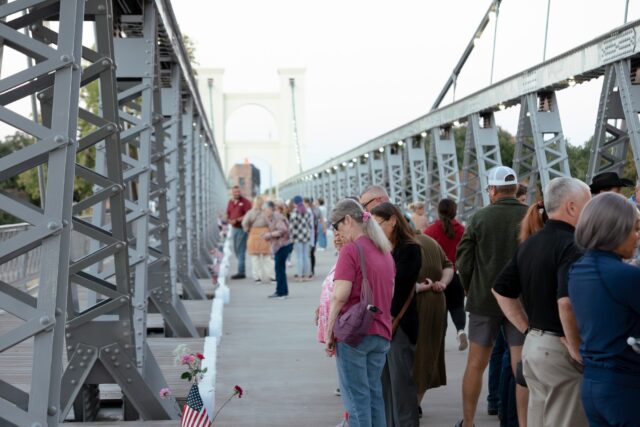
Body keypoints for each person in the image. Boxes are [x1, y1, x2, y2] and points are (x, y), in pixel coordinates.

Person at [492, 177, 592, 427]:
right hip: (560, 350)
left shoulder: (530, 243)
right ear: (571, 207)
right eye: (588, 204)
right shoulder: (573, 245)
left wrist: (527, 327)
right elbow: (566, 302)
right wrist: (576, 346)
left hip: (534, 346)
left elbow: (500, 289)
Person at [455, 165, 529, 427]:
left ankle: (469, 422)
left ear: (493, 189)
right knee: (520, 365)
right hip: (520, 303)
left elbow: (463, 263)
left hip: (484, 301)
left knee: (476, 364)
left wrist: (469, 288)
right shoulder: (530, 216)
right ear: (514, 188)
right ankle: (523, 423)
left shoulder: (479, 218)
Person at [568, 192, 640, 427]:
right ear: (615, 229)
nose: (637, 237)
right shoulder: (624, 275)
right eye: (634, 229)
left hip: (593, 384)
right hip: (625, 386)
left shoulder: (579, 269)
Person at [325, 198, 395, 427]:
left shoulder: (351, 250)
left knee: (356, 402)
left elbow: (339, 296)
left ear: (347, 220)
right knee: (374, 396)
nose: (336, 232)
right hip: (382, 331)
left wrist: (329, 332)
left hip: (355, 335)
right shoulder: (384, 250)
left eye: (336, 226)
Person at [370, 202, 422, 427]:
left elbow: (397, 285)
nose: (375, 228)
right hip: (378, 324)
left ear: (393, 220)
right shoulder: (377, 248)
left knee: (401, 386)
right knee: (383, 385)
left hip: (398, 323)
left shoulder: (410, 249)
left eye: (378, 223)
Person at [412, 230, 453, 417]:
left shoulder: (402, 244)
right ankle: (416, 403)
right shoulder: (430, 241)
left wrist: (418, 288)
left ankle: (409, 405)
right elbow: (449, 265)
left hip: (415, 303)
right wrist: (442, 283)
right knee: (427, 353)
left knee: (412, 355)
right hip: (436, 302)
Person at [424, 198, 468, 351]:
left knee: (440, 311)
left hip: (437, 278)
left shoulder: (430, 231)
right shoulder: (462, 230)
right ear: (455, 212)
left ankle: (440, 340)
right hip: (455, 275)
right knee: (457, 307)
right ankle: (461, 330)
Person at [316, 231, 348, 425]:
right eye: (335, 234)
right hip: (340, 323)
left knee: (351, 382)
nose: (336, 238)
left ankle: (352, 418)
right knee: (346, 376)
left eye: (340, 234)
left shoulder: (348, 260)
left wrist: (329, 332)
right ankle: (350, 417)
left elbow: (340, 295)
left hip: (344, 325)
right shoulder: (341, 259)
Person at [261, 201, 292, 299]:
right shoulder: (273, 217)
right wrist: (268, 236)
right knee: (279, 269)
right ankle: (280, 291)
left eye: (265, 210)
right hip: (280, 245)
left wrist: (269, 235)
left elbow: (283, 230)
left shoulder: (277, 217)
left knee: (279, 269)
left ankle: (281, 292)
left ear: (270, 209)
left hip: (283, 245)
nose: (264, 212)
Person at [242, 196, 274, 283]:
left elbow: (244, 223)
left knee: (255, 258)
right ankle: (272, 276)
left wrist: (248, 230)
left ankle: (257, 278)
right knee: (267, 257)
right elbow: (270, 223)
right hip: (265, 235)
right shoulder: (265, 212)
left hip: (253, 235)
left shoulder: (250, 213)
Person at [226, 186, 252, 279]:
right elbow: (228, 213)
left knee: (240, 250)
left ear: (240, 192)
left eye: (238, 192)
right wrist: (229, 220)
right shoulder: (230, 202)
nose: (236, 193)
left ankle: (241, 272)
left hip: (242, 229)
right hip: (234, 229)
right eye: (234, 192)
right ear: (232, 193)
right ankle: (241, 269)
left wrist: (237, 220)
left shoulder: (246, 202)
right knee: (236, 250)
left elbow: (248, 215)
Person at [289, 195, 313, 282]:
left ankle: (300, 276)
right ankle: (306, 275)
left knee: (299, 257)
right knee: (306, 256)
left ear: (295, 203)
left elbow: (292, 227)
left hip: (297, 237)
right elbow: (310, 225)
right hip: (306, 237)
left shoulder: (294, 213)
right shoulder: (307, 212)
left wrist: (291, 238)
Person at [306, 197, 319, 278]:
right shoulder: (307, 211)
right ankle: (309, 270)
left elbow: (319, 220)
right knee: (309, 253)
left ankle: (312, 270)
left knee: (311, 253)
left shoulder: (315, 210)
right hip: (311, 233)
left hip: (314, 233)